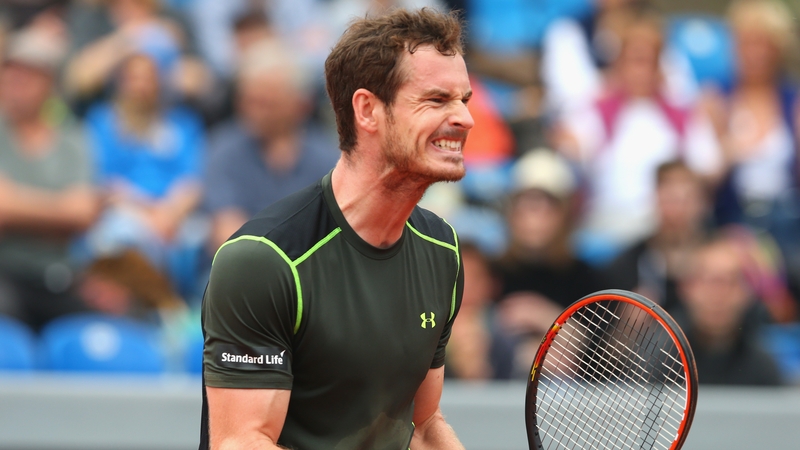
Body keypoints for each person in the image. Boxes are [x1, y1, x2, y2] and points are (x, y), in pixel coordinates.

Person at [200, 8, 473, 449]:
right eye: (437, 100)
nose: (464, 118)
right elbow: (241, 441)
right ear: (367, 109)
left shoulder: (443, 250)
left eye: (465, 100)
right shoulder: (262, 261)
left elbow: (421, 425)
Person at [0, 29, 100, 330]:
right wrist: (59, 212)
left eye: (28, 76)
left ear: (49, 84)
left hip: (61, 275)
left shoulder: (74, 140)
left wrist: (18, 203)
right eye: (11, 74)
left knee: (112, 326)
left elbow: (83, 212)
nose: (16, 84)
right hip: (6, 272)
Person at [203, 38, 338, 253]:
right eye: (249, 101)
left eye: (267, 104)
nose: (254, 112)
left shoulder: (327, 158)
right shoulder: (224, 149)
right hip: (243, 273)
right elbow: (228, 235)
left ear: (299, 105)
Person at [675, 234, 783, 386]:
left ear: (748, 294)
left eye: (731, 282)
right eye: (709, 281)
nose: (719, 295)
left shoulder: (764, 367)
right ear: (686, 288)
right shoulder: (657, 359)